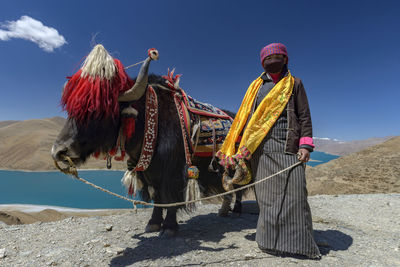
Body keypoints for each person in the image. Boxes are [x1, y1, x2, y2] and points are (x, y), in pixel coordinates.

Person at [216, 43, 320, 259]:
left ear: (285, 60)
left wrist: (305, 145)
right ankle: (268, 242)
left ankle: (300, 245)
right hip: (260, 151)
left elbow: (304, 117)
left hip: (288, 149)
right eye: (267, 58)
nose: (272, 60)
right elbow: (247, 119)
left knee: (295, 196)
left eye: (276, 56)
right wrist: (237, 148)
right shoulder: (255, 87)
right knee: (266, 198)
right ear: (262, 63)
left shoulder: (295, 84)